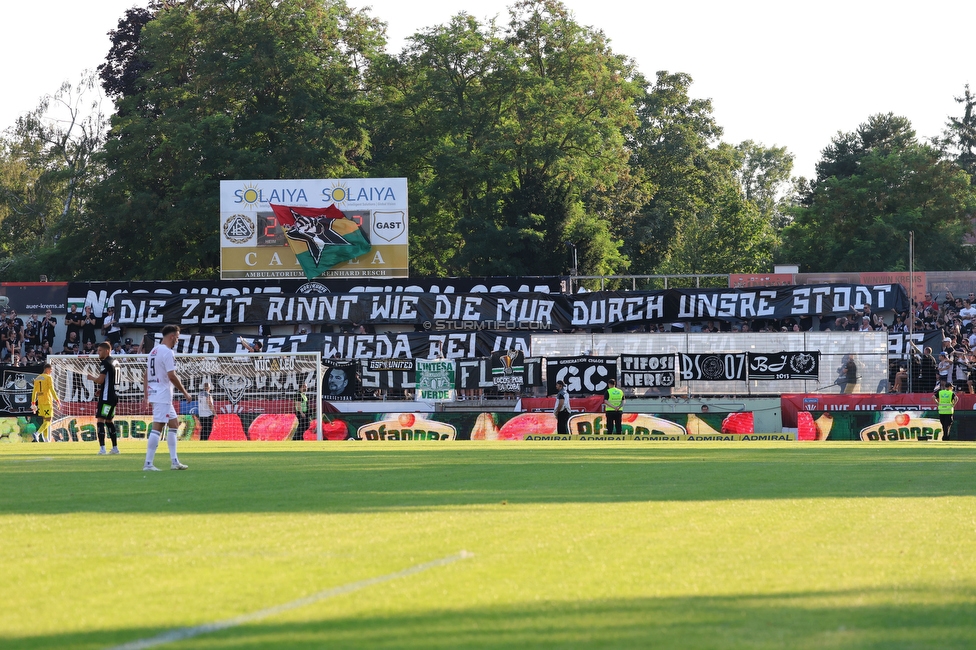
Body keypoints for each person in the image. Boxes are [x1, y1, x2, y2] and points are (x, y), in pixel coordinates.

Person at [143, 324, 192, 471]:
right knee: (158, 426)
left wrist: (146, 395)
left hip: (156, 393)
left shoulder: (153, 351)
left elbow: (146, 374)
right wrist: (185, 392)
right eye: (177, 337)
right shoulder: (167, 352)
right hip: (162, 394)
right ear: (172, 337)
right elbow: (172, 375)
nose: (177, 340)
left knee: (174, 424)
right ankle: (148, 463)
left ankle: (174, 461)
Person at [87, 342, 120, 455]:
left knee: (100, 420)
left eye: (100, 350)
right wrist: (102, 389)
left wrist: (92, 378)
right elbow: (112, 380)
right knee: (109, 421)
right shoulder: (116, 362)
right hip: (114, 396)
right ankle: (115, 448)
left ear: (107, 351)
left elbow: (100, 380)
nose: (98, 353)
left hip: (106, 397)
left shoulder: (105, 362)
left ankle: (102, 449)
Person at [30, 363, 60, 442]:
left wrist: (33, 403)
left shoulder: (37, 378)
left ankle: (46, 439)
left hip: (40, 402)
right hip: (47, 401)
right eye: (51, 369)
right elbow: (52, 389)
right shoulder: (48, 377)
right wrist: (57, 399)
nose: (51, 371)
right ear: (46, 369)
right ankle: (37, 433)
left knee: (45, 420)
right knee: (48, 420)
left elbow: (34, 392)